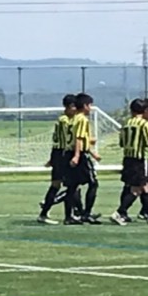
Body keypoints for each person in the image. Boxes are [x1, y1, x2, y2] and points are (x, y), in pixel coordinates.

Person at [112, 98, 148, 225]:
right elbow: (147, 142)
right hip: (139, 159)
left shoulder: (126, 123)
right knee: (137, 188)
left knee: (143, 186)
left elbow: (121, 143)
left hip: (127, 158)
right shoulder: (144, 124)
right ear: (145, 110)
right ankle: (120, 212)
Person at [37, 94, 78, 225]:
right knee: (68, 185)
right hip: (63, 154)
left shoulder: (61, 119)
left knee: (60, 185)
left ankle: (49, 212)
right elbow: (68, 139)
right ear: (70, 106)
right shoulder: (66, 121)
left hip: (58, 153)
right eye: (75, 107)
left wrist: (52, 158)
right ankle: (66, 214)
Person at [61, 93, 95, 225]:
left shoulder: (72, 118)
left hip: (69, 152)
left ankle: (69, 216)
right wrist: (77, 155)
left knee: (72, 186)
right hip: (79, 154)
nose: (91, 108)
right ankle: (86, 214)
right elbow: (78, 138)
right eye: (90, 105)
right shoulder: (82, 119)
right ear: (85, 106)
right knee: (93, 183)